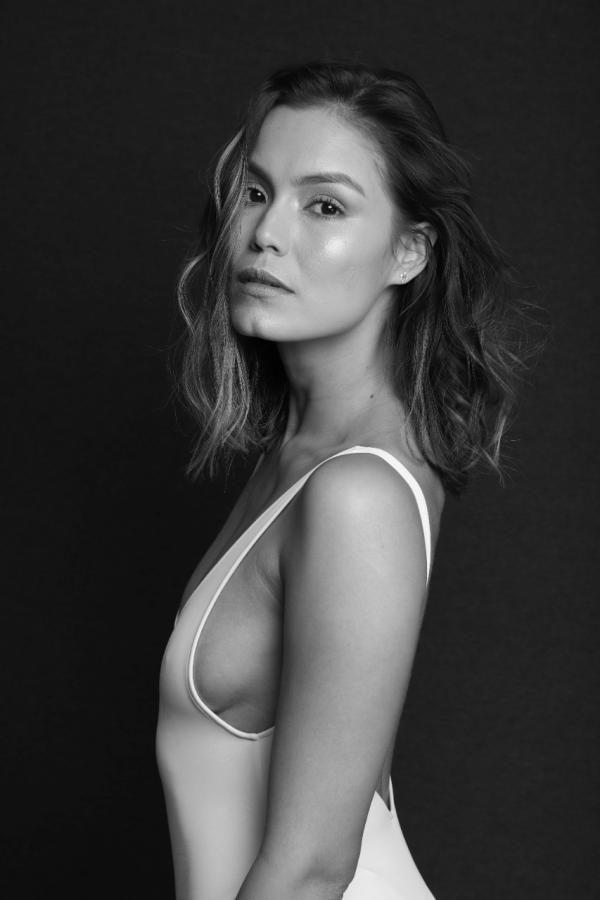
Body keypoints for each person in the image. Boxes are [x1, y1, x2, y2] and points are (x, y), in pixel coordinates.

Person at [156, 60, 527, 899]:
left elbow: (311, 871)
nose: (265, 233)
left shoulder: (358, 494)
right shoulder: (302, 459)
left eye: (324, 205)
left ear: (408, 252)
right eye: (257, 192)